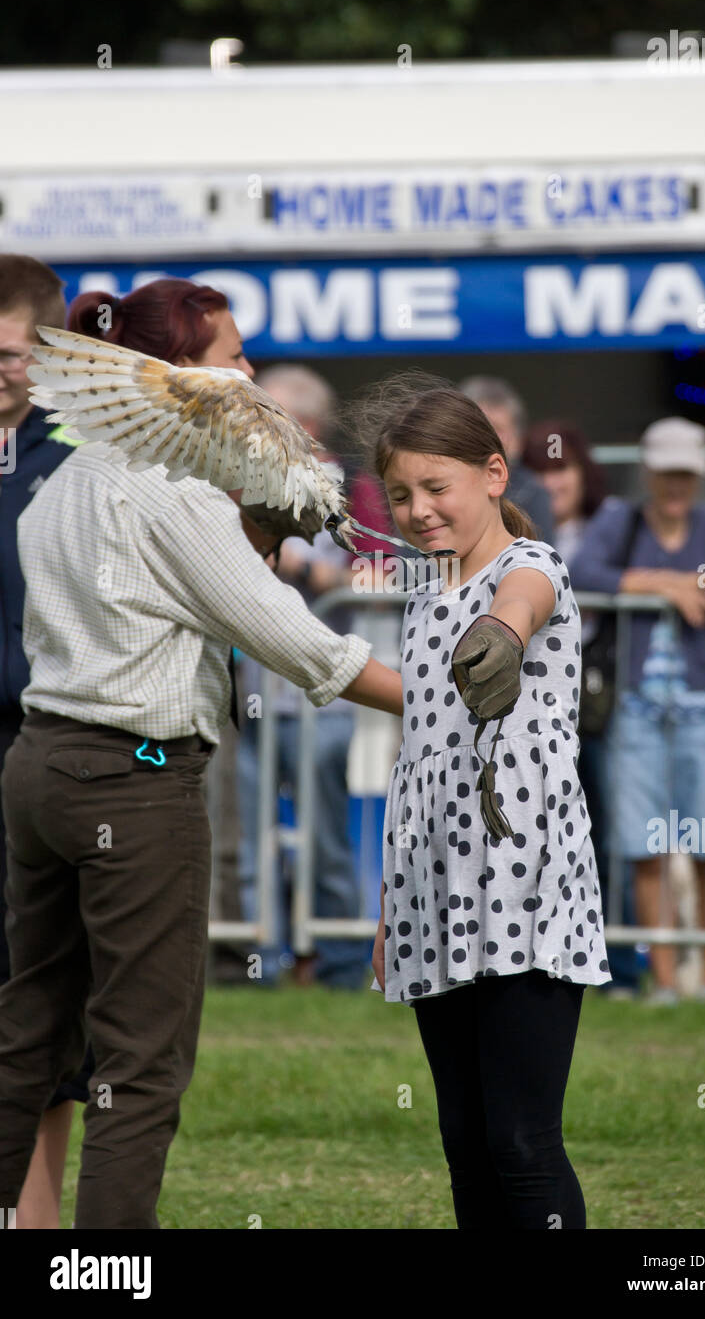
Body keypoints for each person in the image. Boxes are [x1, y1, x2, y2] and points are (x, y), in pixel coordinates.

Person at [0, 278, 403, 1230]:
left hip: (39, 767)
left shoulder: (63, 483)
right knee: (140, 1060)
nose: (248, 373)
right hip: (134, 779)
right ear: (179, 376)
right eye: (231, 355)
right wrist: (447, 700)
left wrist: (251, 530)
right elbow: (302, 644)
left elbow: (185, 594)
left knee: (27, 1032)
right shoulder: (171, 492)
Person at [364, 372, 611, 1230]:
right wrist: (395, 900)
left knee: (520, 1138)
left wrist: (502, 635)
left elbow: (524, 601)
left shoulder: (527, 564)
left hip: (523, 886)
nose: (419, 509)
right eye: (401, 494)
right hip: (436, 890)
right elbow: (420, 747)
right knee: (464, 1137)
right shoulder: (424, 596)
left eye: (438, 487)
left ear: (496, 475)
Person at [570, 417, 705, 1006]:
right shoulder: (621, 521)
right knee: (646, 849)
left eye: (685, 474)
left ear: (698, 476)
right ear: (649, 472)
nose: (675, 485)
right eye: (666, 473)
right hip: (636, 709)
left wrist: (703, 586)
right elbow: (582, 573)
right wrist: (664, 585)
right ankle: (664, 984)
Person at [0, 254, 96, 1229]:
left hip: (52, 761)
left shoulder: (82, 457)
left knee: (41, 1013)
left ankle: (37, 1227)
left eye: (8, 354)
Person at [238, 362, 369, 990]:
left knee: (325, 842)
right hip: (254, 694)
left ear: (308, 423)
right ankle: (256, 963)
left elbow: (367, 570)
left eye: (273, 413)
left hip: (323, 697)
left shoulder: (345, 487)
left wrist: (307, 566)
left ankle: (341, 965)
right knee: (252, 840)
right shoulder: (246, 478)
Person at [524, 421, 639, 997]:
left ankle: (621, 960)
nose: (552, 482)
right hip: (538, 708)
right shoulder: (526, 526)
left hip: (596, 701)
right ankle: (560, 954)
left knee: (610, 829)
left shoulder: (612, 517)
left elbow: (583, 577)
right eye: (540, 471)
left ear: (583, 471)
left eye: (561, 468)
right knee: (551, 835)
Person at [459, 375, 556, 546]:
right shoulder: (432, 489)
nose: (486, 437)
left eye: (497, 428)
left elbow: (541, 565)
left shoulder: (533, 495)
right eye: (478, 426)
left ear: (518, 440)